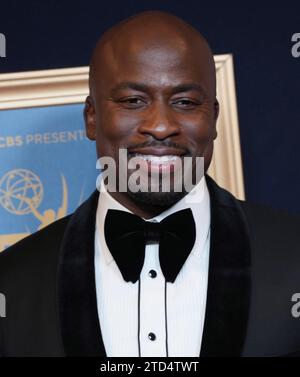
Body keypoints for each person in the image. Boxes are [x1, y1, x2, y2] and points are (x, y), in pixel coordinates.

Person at [0, 11, 300, 357]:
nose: (160, 126)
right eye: (133, 101)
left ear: (213, 118)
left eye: (185, 102)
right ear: (92, 117)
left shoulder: (293, 256)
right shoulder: (13, 283)